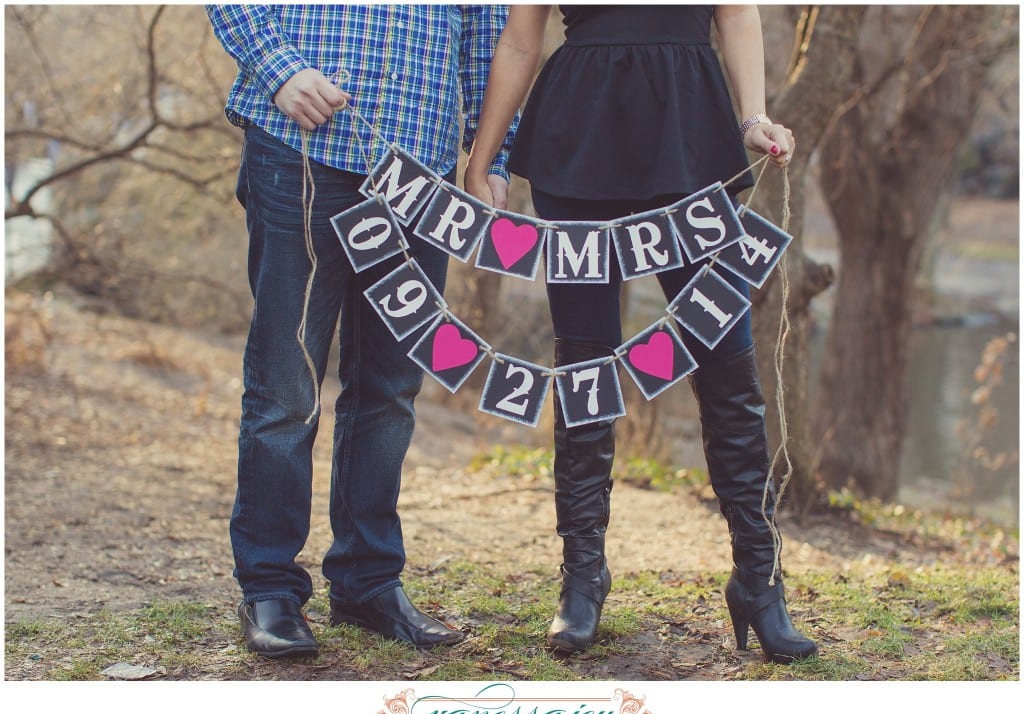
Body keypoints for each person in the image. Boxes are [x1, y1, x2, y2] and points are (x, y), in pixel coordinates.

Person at [466, 4, 817, 663]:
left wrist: (752, 115)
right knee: (584, 367)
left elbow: (737, 13)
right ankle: (582, 577)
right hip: (578, 130)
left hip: (690, 128)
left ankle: (759, 581)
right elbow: (519, 41)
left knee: (726, 358)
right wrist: (484, 156)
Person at [208, 5, 516, 658]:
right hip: (297, 150)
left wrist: (489, 155)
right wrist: (278, 68)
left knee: (390, 387)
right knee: (286, 389)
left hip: (417, 173)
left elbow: (492, 36)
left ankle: (367, 581)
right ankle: (268, 588)